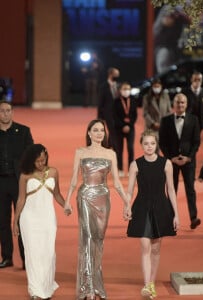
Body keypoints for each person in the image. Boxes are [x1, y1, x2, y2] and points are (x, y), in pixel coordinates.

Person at [64, 119, 130, 300]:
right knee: (87, 238)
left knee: (99, 240)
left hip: (103, 199)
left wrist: (126, 202)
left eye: (102, 130)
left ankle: (97, 282)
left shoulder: (110, 154)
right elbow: (73, 179)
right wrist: (67, 201)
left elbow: (116, 182)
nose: (100, 133)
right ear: (89, 133)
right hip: (85, 196)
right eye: (96, 130)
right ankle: (87, 288)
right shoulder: (80, 152)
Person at [126, 129, 179, 299]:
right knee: (145, 246)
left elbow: (171, 190)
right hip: (141, 207)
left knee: (156, 249)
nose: (149, 147)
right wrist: (127, 206)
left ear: (156, 145)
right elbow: (129, 190)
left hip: (161, 208)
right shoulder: (135, 164)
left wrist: (176, 214)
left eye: (152, 143)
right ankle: (147, 285)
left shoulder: (166, 163)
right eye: (146, 143)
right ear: (141, 145)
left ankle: (151, 284)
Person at [13, 144, 68, 299]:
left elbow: (57, 194)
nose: (40, 164)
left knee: (48, 253)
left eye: (43, 160)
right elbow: (21, 199)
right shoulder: (25, 176)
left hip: (48, 218)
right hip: (29, 219)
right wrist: (15, 221)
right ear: (31, 161)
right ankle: (35, 290)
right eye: (37, 161)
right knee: (32, 254)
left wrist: (66, 206)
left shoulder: (53, 172)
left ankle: (47, 287)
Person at [159, 93, 201, 229]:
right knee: (171, 189)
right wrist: (171, 158)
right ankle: (171, 218)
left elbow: (196, 142)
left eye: (183, 102)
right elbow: (162, 143)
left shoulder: (194, 120)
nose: (180, 105)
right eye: (178, 102)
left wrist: (189, 157)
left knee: (190, 189)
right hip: (171, 161)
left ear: (186, 104)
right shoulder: (165, 121)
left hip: (188, 161)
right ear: (173, 104)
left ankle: (194, 218)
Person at [0, 100, 34, 269]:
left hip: (18, 182)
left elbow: (32, 156)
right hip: (0, 182)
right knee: (2, 221)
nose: (5, 114)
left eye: (8, 111)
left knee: (22, 221)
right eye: (2, 111)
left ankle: (26, 258)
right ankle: (7, 257)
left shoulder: (23, 131)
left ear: (12, 112)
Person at [113, 82, 138, 177]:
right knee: (119, 149)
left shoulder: (133, 100)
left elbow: (134, 115)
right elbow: (114, 116)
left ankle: (131, 169)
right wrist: (123, 126)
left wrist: (129, 125)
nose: (126, 91)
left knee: (130, 148)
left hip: (130, 128)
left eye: (128, 89)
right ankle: (120, 169)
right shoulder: (116, 101)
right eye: (124, 89)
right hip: (119, 128)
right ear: (120, 90)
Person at [97, 67, 120, 149]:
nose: (117, 76)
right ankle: (114, 148)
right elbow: (100, 102)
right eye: (116, 74)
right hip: (108, 113)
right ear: (110, 74)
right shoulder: (103, 86)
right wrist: (99, 116)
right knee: (112, 130)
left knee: (113, 131)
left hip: (117, 113)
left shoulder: (118, 86)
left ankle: (108, 146)